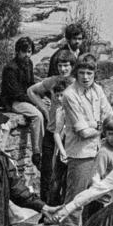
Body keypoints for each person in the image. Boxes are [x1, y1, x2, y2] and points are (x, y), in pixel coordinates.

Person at [58, 55, 113, 226]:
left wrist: (98, 126)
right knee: (75, 202)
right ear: (76, 73)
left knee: (100, 199)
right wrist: (100, 126)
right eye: (81, 72)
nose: (85, 77)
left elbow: (110, 118)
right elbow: (83, 132)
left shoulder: (97, 90)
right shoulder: (70, 95)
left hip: (99, 151)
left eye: (89, 73)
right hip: (80, 154)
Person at [27, 48, 76, 204]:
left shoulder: (77, 83)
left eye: (66, 65)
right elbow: (31, 91)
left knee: (66, 173)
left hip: (69, 134)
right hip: (51, 130)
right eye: (60, 65)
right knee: (47, 171)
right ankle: (45, 208)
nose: (63, 69)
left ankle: (63, 205)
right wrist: (45, 110)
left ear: (72, 66)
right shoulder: (52, 80)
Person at [0, 37, 44, 164]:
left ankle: (46, 146)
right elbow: (15, 93)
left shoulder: (29, 63)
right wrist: (35, 101)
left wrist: (41, 96)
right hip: (13, 101)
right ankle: (36, 152)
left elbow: (31, 84)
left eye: (29, 52)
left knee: (47, 109)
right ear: (18, 51)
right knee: (37, 115)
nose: (27, 55)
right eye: (24, 52)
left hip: (26, 98)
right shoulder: (10, 68)